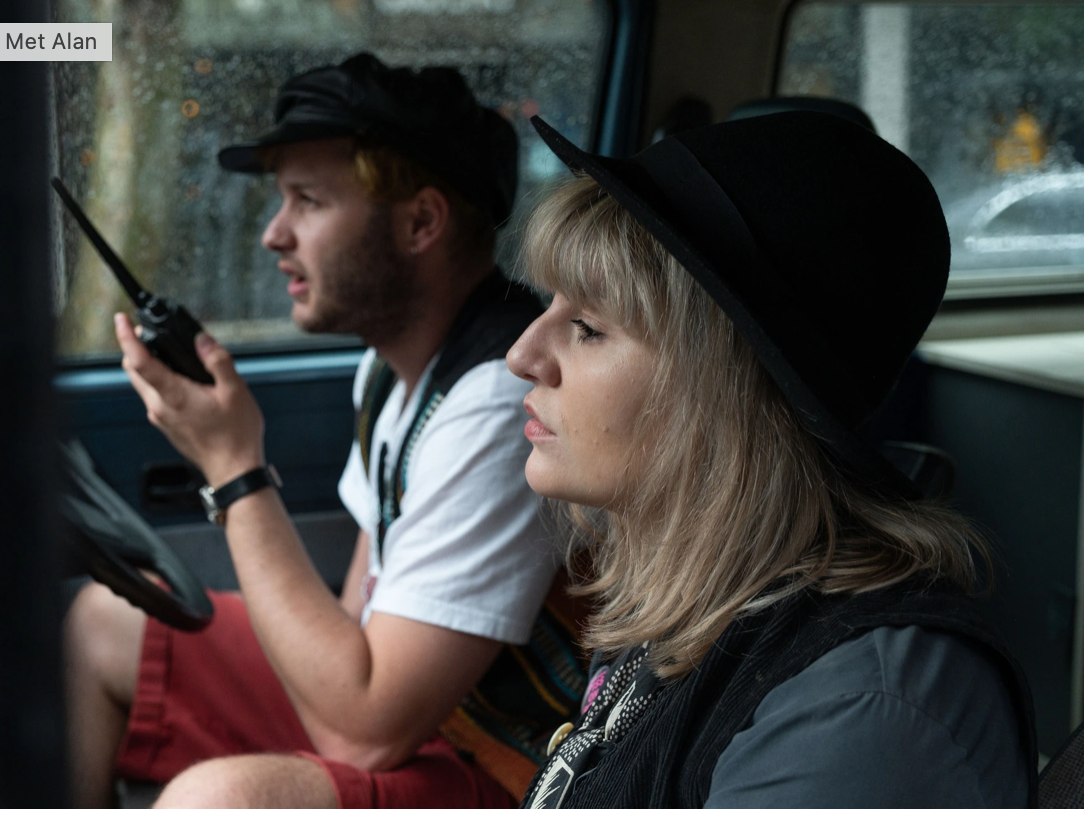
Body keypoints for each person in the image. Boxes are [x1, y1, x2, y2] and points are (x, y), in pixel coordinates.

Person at [62, 54, 585, 808]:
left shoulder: (501, 402)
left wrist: (233, 466)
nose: (274, 234)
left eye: (307, 201)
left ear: (421, 222)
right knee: (105, 620)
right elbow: (357, 621)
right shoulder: (389, 371)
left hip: (515, 764)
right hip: (416, 707)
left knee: (220, 802)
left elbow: (366, 731)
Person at [504, 112, 1039, 807]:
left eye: (587, 328)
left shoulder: (855, 711)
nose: (522, 355)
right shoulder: (694, 592)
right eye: (549, 305)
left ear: (725, 392)